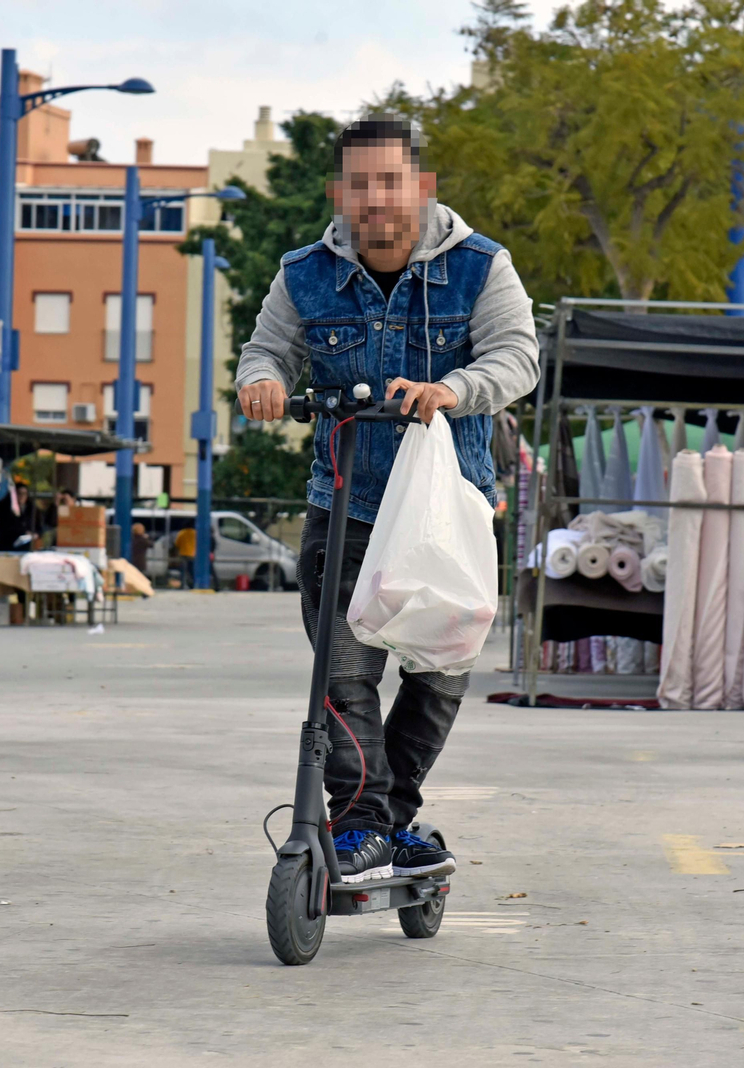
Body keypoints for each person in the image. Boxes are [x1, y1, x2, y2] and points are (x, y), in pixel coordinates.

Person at [235, 116, 539, 883]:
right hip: (345, 508)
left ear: (419, 186)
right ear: (342, 193)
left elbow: (518, 356)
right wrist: (261, 382)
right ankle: (367, 823)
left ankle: (387, 820)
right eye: (360, 184)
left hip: (447, 511)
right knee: (342, 677)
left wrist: (452, 389)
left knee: (439, 677)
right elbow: (266, 348)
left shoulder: (480, 266)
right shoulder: (304, 272)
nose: (376, 198)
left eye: (391, 181)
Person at [173, 524, 199, 588]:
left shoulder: (181, 533)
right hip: (193, 554)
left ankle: (182, 585)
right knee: (192, 571)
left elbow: (177, 544)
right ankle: (193, 585)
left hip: (183, 554)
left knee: (183, 571)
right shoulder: (195, 533)